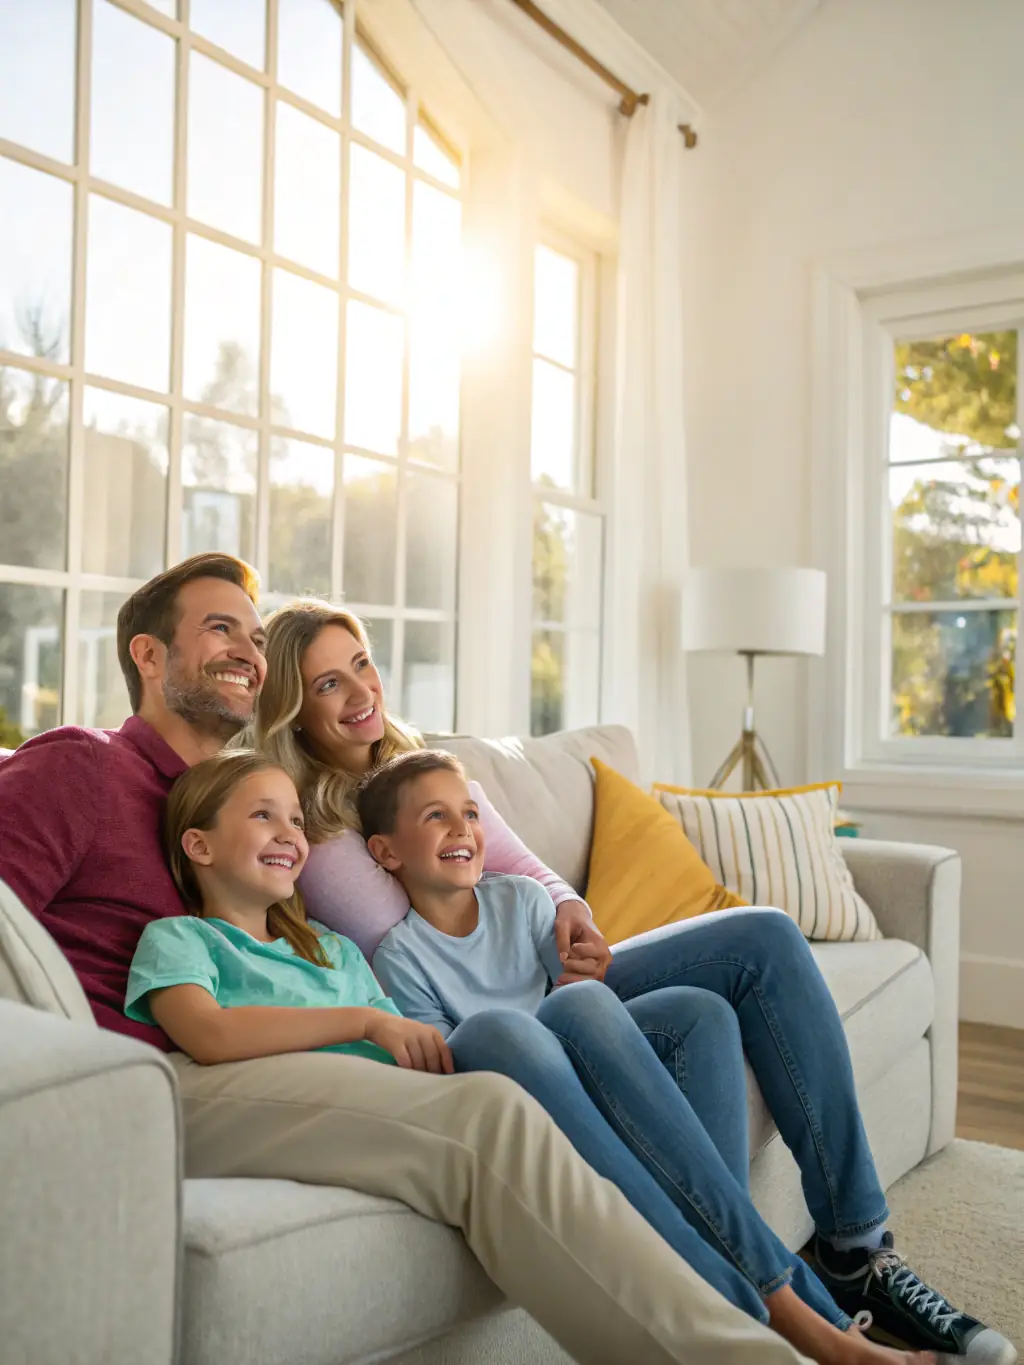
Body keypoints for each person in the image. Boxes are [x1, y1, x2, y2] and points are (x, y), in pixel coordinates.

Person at [0, 553, 814, 1365]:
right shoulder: (82, 764)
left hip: (271, 1055)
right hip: (150, 1075)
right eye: (221, 628)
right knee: (489, 1111)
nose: (248, 649)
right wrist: (69, 1079)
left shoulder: (237, 805)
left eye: (254, 634)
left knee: (518, 1093)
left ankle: (762, 1302)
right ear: (148, 654)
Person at [254, 598, 1014, 1365]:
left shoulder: (427, 767)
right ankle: (769, 1305)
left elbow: (518, 874)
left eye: (361, 664)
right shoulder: (316, 831)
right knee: (596, 1008)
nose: (361, 694)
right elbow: (425, 914)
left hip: (554, 977)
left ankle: (856, 1248)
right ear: (292, 708)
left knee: (764, 938)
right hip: (503, 1028)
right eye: (327, 685)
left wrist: (574, 913)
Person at [132, 747, 929, 1365]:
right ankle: (796, 1313)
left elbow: (411, 1049)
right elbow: (208, 1033)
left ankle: (742, 1290)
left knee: (678, 1007)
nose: (290, 834)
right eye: (263, 817)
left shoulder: (335, 948)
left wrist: (388, 1023)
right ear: (197, 844)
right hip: (398, 1096)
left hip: (425, 1095)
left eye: (295, 820)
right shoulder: (181, 939)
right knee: (514, 1025)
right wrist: (369, 1025)